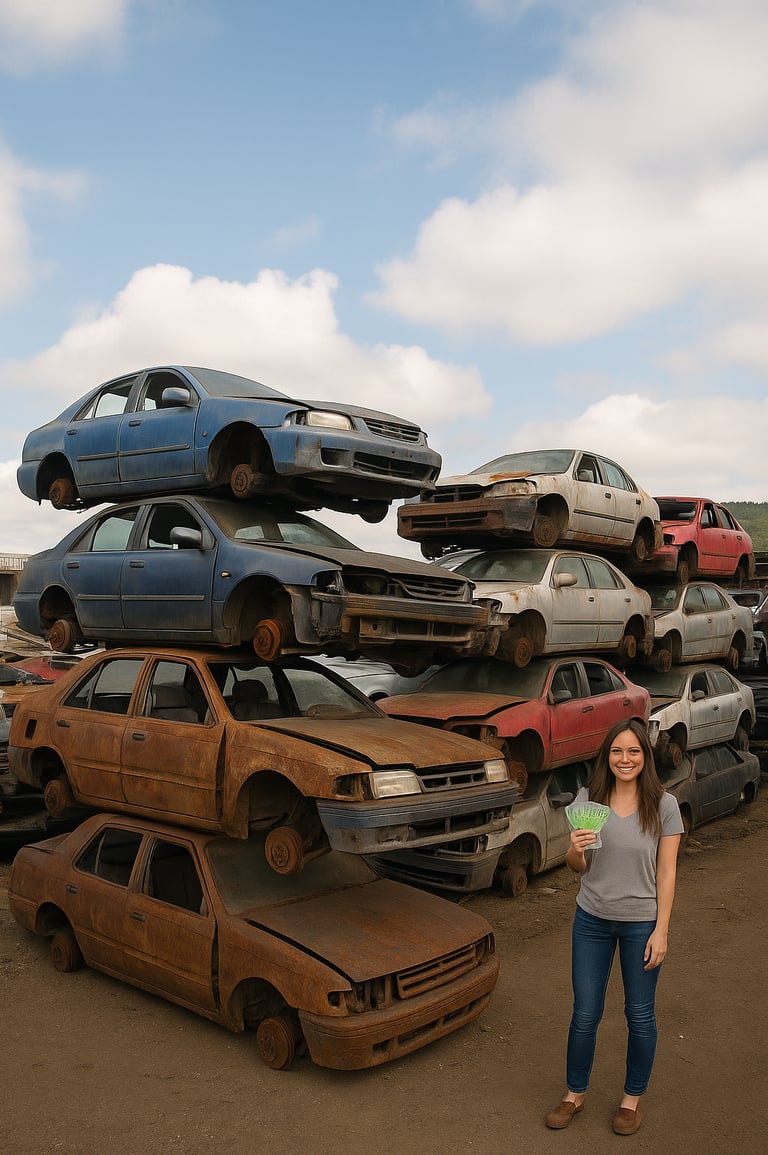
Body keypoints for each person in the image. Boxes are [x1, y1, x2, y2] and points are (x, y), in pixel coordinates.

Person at [544, 718, 683, 1136]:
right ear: (607, 756)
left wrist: (662, 930)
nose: (625, 759)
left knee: (639, 1015)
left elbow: (667, 873)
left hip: (642, 923)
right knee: (585, 1013)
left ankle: (630, 1100)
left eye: (634, 751)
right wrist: (573, 848)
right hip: (591, 920)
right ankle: (574, 1094)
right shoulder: (591, 799)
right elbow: (577, 869)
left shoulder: (664, 805)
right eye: (617, 751)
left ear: (646, 756)